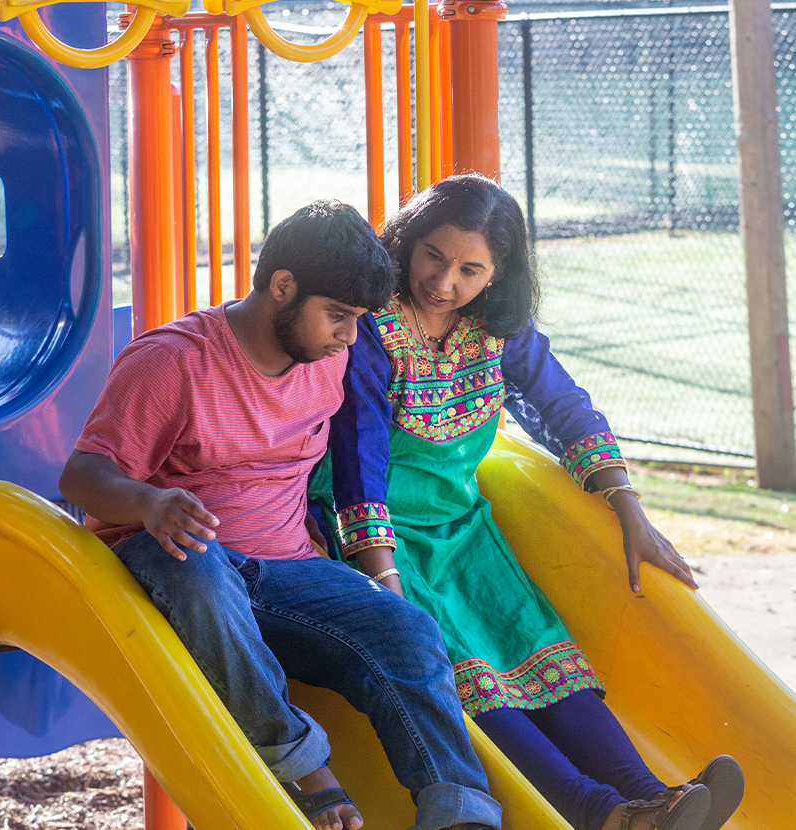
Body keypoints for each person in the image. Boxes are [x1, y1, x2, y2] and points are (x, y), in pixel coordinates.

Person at [311, 176, 745, 830]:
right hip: (372, 531)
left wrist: (627, 505)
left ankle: (654, 795)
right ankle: (602, 814)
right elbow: (359, 453)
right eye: (433, 255)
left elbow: (563, 403)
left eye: (470, 269)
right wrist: (383, 581)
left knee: (533, 643)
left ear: (498, 273)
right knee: (465, 668)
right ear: (406, 240)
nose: (444, 281)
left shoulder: (497, 329)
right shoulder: (374, 328)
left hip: (461, 529)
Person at [59, 201, 503, 830]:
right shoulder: (173, 361)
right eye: (339, 316)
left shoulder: (327, 357)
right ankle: (306, 772)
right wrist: (152, 503)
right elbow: (81, 475)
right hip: (179, 566)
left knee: (407, 630)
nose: (350, 337)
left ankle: (459, 811)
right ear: (283, 286)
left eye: (357, 320)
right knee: (201, 572)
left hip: (286, 571)